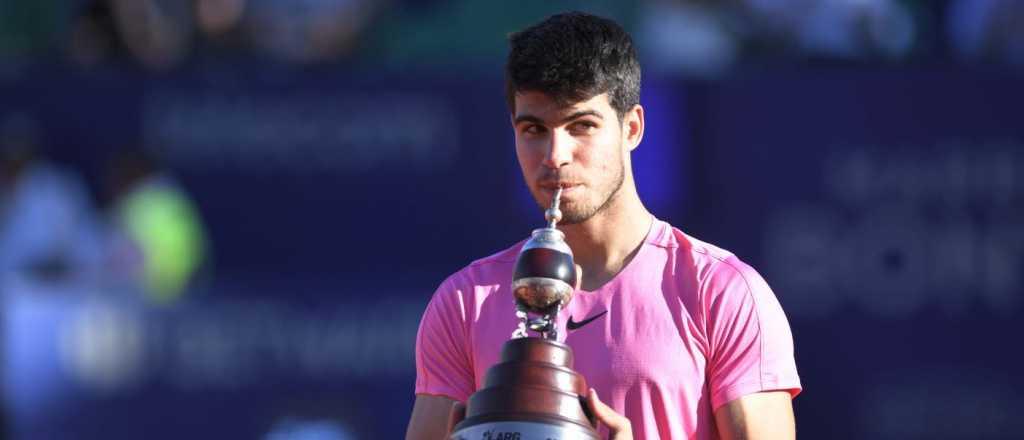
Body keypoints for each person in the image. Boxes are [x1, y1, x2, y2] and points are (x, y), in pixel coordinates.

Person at [406, 12, 801, 440]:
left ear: (631, 128)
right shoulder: (465, 303)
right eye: (534, 129)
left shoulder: (722, 294)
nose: (555, 154)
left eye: (581, 126)